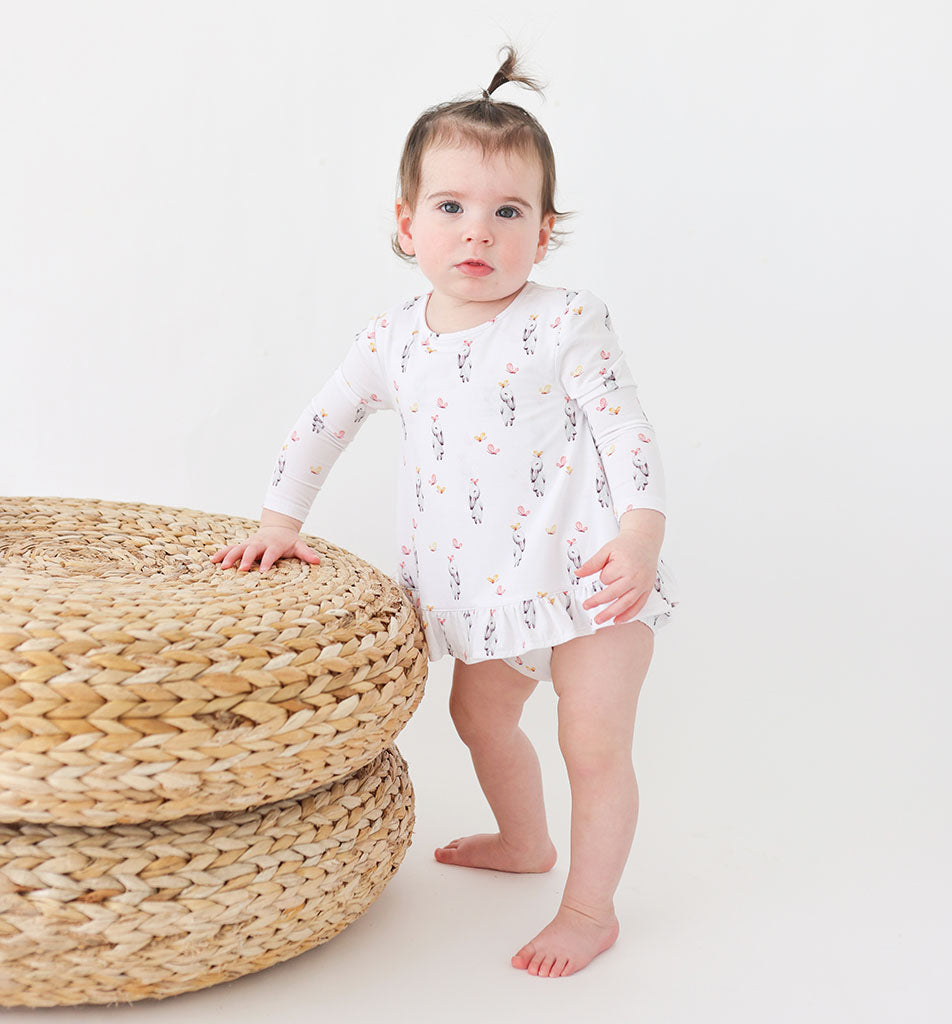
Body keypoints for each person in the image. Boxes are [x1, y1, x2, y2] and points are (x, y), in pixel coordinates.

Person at [211, 45, 679, 979]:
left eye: (509, 212)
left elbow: (626, 430)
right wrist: (279, 521)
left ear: (543, 232)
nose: (480, 232)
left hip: (592, 578)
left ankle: (589, 909)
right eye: (452, 207)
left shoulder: (565, 321)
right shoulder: (392, 340)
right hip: (486, 591)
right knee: (478, 717)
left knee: (592, 746)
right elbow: (323, 422)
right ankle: (524, 840)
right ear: (407, 222)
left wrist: (640, 536)